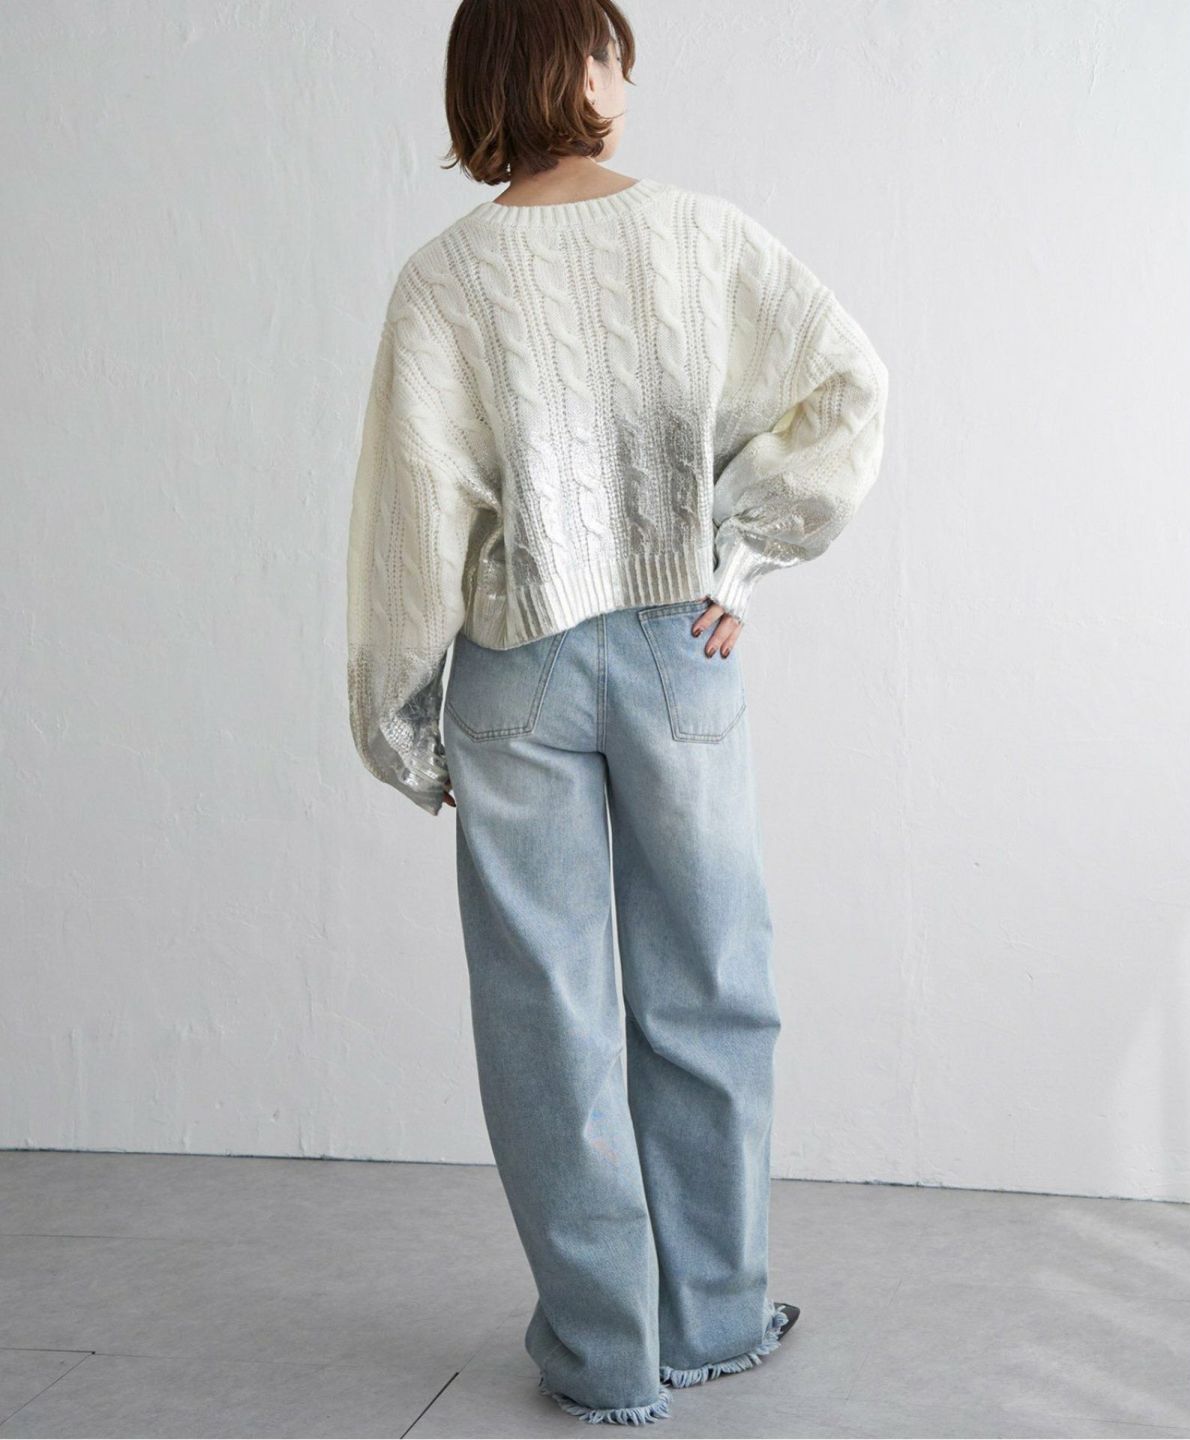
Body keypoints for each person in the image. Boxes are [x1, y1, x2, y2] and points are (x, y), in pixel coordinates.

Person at [346, 0, 888, 1424]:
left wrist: (401, 717)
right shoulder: (698, 238)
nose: (621, 73)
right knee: (711, 986)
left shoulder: (444, 280)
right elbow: (847, 385)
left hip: (513, 661)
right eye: (609, 48)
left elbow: (411, 518)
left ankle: (601, 1357)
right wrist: (738, 554)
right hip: (675, 648)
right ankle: (715, 1317)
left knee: (545, 1013)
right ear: (578, 70)